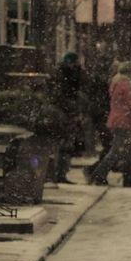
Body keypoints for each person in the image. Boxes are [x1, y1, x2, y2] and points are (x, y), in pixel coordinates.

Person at [85, 62, 131, 187]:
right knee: (117, 151)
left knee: (118, 151)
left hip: (115, 119)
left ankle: (102, 175)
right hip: (124, 121)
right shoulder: (126, 84)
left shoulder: (115, 83)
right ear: (129, 72)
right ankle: (98, 175)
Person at [51, 51, 84, 184]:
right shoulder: (68, 76)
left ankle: (60, 173)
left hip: (65, 112)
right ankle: (60, 173)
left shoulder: (61, 74)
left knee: (64, 145)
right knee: (65, 145)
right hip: (66, 113)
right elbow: (69, 92)